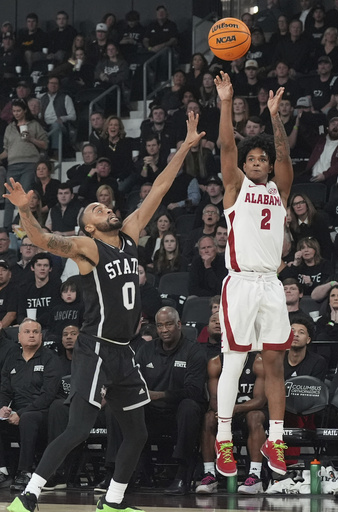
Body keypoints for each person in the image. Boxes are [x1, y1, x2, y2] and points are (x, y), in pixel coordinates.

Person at [5, 110, 204, 512]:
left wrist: (184, 146)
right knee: (78, 427)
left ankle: (112, 503)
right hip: (94, 348)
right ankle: (28, 496)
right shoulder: (88, 247)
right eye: (95, 209)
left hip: (125, 350)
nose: (104, 206)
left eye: (104, 204)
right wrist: (26, 210)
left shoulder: (129, 234)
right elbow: (43, 239)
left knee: (137, 433)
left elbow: (159, 189)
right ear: (89, 227)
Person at [214, 72, 293, 478]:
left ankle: (276, 438)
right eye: (253, 159)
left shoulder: (279, 190)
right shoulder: (235, 188)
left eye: (262, 158)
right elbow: (227, 145)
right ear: (244, 167)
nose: (259, 162)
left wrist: (275, 117)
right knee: (235, 361)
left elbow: (285, 157)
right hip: (241, 283)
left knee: (274, 363)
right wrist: (226, 102)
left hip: (271, 285)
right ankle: (224, 440)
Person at [135, 306, 207, 495]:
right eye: (160, 325)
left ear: (179, 324)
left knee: (189, 407)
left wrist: (159, 395)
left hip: (180, 415)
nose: (164, 330)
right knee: (126, 409)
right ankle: (126, 473)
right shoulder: (146, 350)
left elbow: (194, 391)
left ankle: (182, 475)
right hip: (153, 414)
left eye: (168, 325)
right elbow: (135, 382)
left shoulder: (194, 351)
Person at [0, 318, 62, 491]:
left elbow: (48, 395)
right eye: (27, 332)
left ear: (41, 337)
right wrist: (3, 407)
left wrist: (20, 413)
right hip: (16, 411)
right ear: (19, 336)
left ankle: (25, 472)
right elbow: (4, 389)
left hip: (43, 412)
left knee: (28, 418)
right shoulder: (12, 358)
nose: (31, 335)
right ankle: (2, 470)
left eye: (35, 332)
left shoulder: (50, 358)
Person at [196, 351, 267, 494]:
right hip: (226, 412)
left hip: (249, 410)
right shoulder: (216, 363)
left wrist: (235, 408)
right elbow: (214, 399)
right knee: (208, 418)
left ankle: (255, 475)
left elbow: (260, 400)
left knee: (255, 417)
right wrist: (226, 411)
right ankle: (209, 474)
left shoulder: (258, 362)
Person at [0, 99, 48, 231]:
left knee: (24, 196)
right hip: (13, 164)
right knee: (10, 198)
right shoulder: (9, 127)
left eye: (18, 110)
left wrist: (31, 139)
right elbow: (6, 150)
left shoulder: (34, 124)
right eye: (14, 111)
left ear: (25, 110)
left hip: (30, 164)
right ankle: (6, 228)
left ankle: (25, 225)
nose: (16, 113)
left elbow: (45, 144)